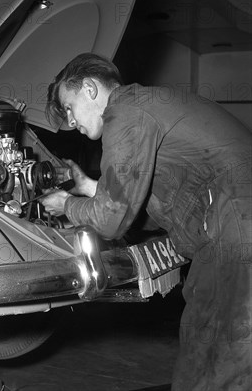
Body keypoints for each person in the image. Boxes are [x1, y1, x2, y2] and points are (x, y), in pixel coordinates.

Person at [41, 52, 251, 391]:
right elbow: (144, 197)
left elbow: (111, 221)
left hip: (239, 227)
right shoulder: (146, 107)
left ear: (91, 89)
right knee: (206, 336)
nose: (70, 122)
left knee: (224, 351)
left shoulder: (126, 113)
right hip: (229, 224)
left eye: (68, 107)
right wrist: (88, 189)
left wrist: (68, 204)